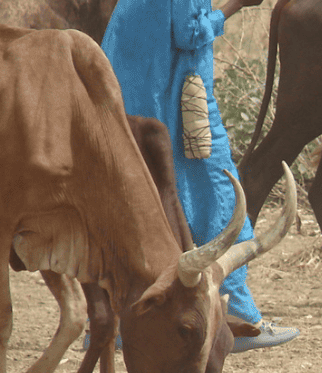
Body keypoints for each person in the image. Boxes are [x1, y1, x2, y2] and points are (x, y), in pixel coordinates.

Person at [98, 0, 298, 352]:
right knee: (219, 197)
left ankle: (106, 325)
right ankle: (237, 318)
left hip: (131, 91)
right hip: (175, 101)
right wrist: (234, 6)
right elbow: (189, 33)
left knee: (130, 203)